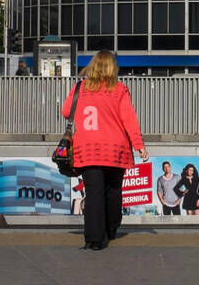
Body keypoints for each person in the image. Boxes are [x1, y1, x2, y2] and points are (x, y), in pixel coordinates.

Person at [60, 49, 148, 250]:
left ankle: (93, 239)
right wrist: (139, 146)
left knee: (93, 194)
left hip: (88, 149)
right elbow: (130, 120)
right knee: (114, 192)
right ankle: (111, 228)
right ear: (112, 67)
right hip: (116, 150)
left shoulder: (79, 88)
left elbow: (66, 112)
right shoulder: (119, 89)